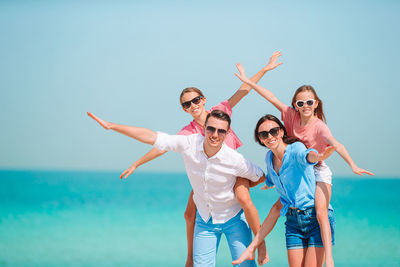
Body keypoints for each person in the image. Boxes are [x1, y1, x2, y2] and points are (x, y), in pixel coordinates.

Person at [119, 51, 282, 266]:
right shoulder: (188, 132)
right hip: (207, 175)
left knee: (242, 197)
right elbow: (161, 146)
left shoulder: (219, 112)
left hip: (233, 171)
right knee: (189, 214)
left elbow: (243, 91)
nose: (193, 105)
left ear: (203, 100)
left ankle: (260, 244)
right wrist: (136, 163)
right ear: (184, 109)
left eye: (195, 100)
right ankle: (191, 258)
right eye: (187, 104)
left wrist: (265, 68)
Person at [234, 60, 374, 267]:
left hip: (316, 165)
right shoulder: (289, 118)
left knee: (320, 211)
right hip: (296, 175)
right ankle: (255, 247)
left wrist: (351, 164)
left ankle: (330, 260)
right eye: (300, 103)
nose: (305, 106)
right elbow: (270, 97)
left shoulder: (319, 127)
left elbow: (332, 146)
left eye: (310, 102)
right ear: (295, 105)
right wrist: (249, 80)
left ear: (316, 103)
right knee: (281, 204)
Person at [87, 110, 266, 267]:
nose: (215, 134)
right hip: (205, 221)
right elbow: (152, 137)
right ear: (204, 129)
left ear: (227, 134)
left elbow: (261, 176)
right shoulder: (188, 143)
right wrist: (111, 126)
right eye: (211, 129)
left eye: (221, 131)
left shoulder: (235, 160)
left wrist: (240, 185)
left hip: (233, 219)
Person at [233, 114, 336, 267]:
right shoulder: (269, 158)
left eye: (273, 131)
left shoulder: (295, 149)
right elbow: (271, 178)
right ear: (260, 139)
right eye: (264, 134)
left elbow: (307, 156)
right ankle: (251, 248)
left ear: (281, 132)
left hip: (314, 218)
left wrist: (319, 155)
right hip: (293, 221)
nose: (270, 136)